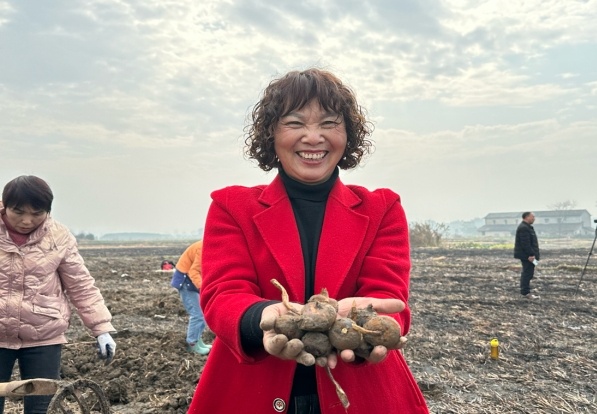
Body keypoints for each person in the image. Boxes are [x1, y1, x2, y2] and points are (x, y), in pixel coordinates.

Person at [188, 69, 429, 413]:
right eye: (295, 123)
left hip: (361, 393)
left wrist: (369, 325)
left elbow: (388, 297)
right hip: (251, 390)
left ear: (348, 135)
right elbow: (223, 294)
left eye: (329, 123)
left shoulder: (382, 209)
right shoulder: (232, 207)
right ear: (271, 135)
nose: (313, 137)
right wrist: (265, 318)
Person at [0, 175, 116, 414]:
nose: (26, 220)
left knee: (42, 407)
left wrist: (102, 328)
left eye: (37, 213)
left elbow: (80, 284)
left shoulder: (59, 237)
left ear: (48, 211)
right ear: (5, 205)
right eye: (18, 212)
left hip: (44, 335)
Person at [170, 240, 211, 355]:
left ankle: (198, 340)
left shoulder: (212, 247)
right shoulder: (203, 249)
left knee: (202, 313)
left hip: (192, 281)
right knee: (197, 314)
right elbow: (194, 271)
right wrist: (203, 288)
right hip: (185, 281)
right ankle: (192, 344)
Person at [514, 211, 541, 299]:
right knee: (527, 273)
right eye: (532, 217)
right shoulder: (523, 228)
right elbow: (525, 244)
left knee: (529, 273)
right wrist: (531, 255)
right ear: (526, 217)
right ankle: (525, 293)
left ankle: (526, 291)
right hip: (528, 256)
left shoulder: (528, 227)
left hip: (530, 256)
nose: (534, 219)